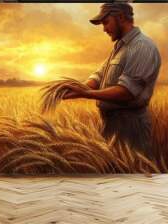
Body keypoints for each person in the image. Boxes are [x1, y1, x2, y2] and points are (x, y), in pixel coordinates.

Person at [63, 2, 161, 158]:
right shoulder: (120, 47)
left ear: (121, 17)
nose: (104, 29)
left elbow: (127, 92)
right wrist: (78, 87)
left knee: (132, 174)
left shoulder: (142, 47)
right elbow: (99, 75)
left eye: (106, 22)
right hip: (112, 124)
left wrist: (86, 93)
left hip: (130, 127)